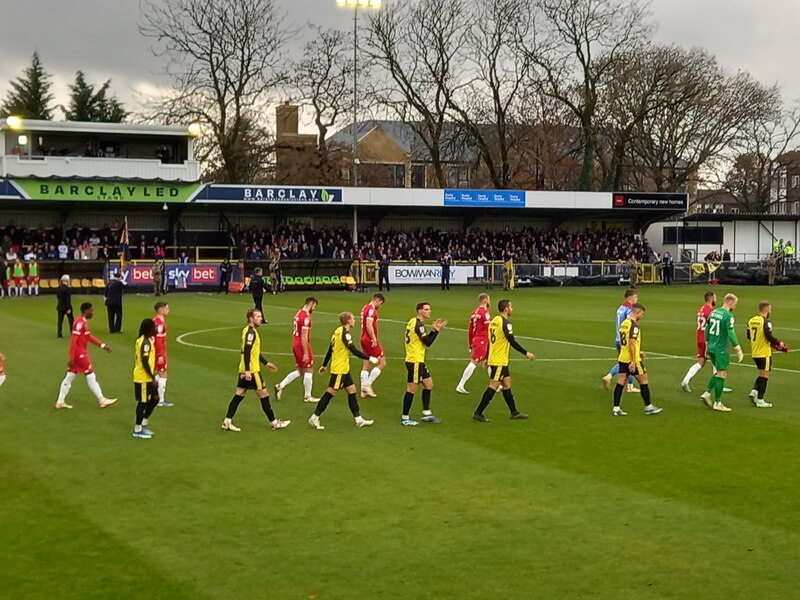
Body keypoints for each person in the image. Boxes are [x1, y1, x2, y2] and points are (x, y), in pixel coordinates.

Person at [221, 308, 290, 432]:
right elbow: (247, 351)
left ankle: (227, 421)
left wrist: (266, 363)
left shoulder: (248, 331)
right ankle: (274, 422)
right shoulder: (251, 333)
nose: (261, 319)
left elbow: (253, 352)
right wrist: (248, 370)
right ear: (251, 318)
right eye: (258, 317)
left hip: (244, 369)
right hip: (252, 371)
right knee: (264, 395)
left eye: (260, 316)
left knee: (239, 394)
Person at [309, 312, 379, 430]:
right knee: (330, 392)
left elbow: (330, 349)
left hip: (343, 369)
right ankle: (315, 416)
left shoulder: (337, 331)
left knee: (352, 391)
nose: (354, 321)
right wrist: (369, 358)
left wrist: (324, 365)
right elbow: (354, 350)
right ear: (348, 321)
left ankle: (358, 419)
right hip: (339, 369)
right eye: (353, 319)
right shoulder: (345, 334)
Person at [472, 299, 534, 421]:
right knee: (493, 386)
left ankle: (514, 412)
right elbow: (512, 341)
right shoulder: (506, 323)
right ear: (506, 309)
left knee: (507, 384)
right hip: (499, 360)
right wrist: (526, 353)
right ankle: (478, 413)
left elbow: (490, 340)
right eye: (511, 307)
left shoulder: (494, 321)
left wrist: (487, 357)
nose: (512, 309)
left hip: (496, 359)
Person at [54, 302, 117, 410]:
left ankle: (60, 402)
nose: (92, 313)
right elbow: (74, 340)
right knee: (90, 373)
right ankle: (102, 400)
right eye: (91, 310)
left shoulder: (83, 322)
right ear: (86, 311)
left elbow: (88, 336)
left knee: (70, 376)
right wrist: (72, 357)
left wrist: (102, 345)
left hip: (79, 353)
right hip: (79, 354)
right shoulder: (79, 323)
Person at [611, 303, 663, 416]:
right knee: (644, 381)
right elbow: (632, 343)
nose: (642, 317)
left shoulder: (624, 323)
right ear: (637, 313)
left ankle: (616, 408)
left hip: (623, 357)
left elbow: (625, 343)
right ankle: (648, 407)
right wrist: (634, 360)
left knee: (620, 382)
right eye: (642, 314)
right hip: (632, 359)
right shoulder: (634, 326)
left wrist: (638, 352)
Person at [400, 302, 446, 426]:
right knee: (411, 389)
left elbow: (424, 339)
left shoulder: (413, 322)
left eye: (429, 309)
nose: (429, 312)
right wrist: (436, 331)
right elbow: (428, 342)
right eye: (426, 309)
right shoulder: (419, 325)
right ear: (419, 311)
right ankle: (405, 417)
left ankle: (426, 413)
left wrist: (432, 331)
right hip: (415, 360)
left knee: (428, 384)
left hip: (417, 360)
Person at [680, 291, 731, 394]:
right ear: (711, 298)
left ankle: (685, 380)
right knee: (716, 361)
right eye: (715, 298)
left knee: (701, 362)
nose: (716, 300)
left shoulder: (701, 310)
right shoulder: (711, 312)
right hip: (707, 339)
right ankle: (718, 383)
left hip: (699, 337)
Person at [700, 293, 744, 412]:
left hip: (711, 347)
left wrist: (707, 345)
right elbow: (731, 333)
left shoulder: (713, 312)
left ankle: (707, 393)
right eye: (735, 304)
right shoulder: (728, 316)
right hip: (721, 348)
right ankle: (717, 402)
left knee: (719, 372)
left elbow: (707, 329)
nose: (735, 306)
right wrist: (738, 348)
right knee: (722, 373)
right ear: (730, 303)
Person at [275, 297, 319, 403]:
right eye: (314, 306)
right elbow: (304, 337)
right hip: (302, 345)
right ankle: (307, 396)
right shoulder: (306, 317)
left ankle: (280, 385)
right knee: (309, 369)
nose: (314, 309)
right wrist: (306, 352)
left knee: (301, 370)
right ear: (311, 304)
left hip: (295, 343)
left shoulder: (298, 314)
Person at [747, 301, 788, 409]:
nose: (770, 312)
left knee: (761, 373)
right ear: (766, 310)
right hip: (764, 353)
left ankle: (754, 391)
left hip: (755, 352)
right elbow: (768, 336)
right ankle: (760, 400)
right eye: (770, 309)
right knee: (765, 375)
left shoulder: (751, 320)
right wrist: (779, 343)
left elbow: (749, 336)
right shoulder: (766, 322)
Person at [601, 289, 639, 394]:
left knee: (624, 362)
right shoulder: (628, 310)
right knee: (631, 361)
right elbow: (629, 323)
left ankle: (612, 378)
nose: (637, 299)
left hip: (618, 339)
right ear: (630, 298)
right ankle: (628, 385)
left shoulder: (620, 308)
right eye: (636, 297)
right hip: (626, 340)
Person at [456, 293, 491, 394]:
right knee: (474, 362)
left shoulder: (474, 312)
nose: (490, 302)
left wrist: (470, 343)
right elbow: (488, 328)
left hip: (476, 339)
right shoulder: (485, 313)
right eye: (489, 300)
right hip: (482, 340)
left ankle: (495, 384)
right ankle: (461, 385)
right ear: (485, 301)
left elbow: (470, 329)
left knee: (489, 362)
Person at [132, 318, 160, 439]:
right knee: (142, 403)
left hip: (147, 377)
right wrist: (152, 377)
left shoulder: (147, 340)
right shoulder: (145, 343)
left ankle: (143, 422)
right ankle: (137, 429)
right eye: (154, 327)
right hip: (143, 378)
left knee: (155, 398)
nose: (156, 328)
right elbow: (144, 361)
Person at [359, 293, 386, 398]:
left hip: (363, 338)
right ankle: (367, 385)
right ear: (378, 301)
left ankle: (363, 391)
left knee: (366, 363)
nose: (380, 306)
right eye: (381, 304)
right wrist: (374, 338)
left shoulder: (364, 308)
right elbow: (368, 324)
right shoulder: (371, 309)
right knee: (382, 362)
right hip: (369, 339)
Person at [153, 301, 172, 407]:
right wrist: (160, 355)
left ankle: (151, 386)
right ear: (161, 310)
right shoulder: (159, 324)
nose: (168, 310)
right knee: (163, 374)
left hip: (156, 351)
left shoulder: (155, 321)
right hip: (159, 352)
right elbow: (158, 341)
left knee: (161, 374)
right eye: (167, 308)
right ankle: (160, 400)